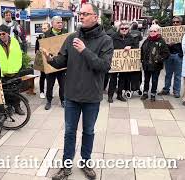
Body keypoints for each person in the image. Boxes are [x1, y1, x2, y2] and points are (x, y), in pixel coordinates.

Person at [41, 3, 114, 180]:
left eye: (86, 14)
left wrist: (84, 50)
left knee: (88, 131)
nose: (81, 17)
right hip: (72, 95)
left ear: (95, 17)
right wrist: (50, 59)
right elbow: (61, 61)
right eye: (80, 14)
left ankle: (86, 163)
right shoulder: (72, 37)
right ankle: (66, 167)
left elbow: (104, 66)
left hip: (91, 96)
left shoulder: (106, 40)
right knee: (69, 132)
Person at [0, 24, 25, 115]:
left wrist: (18, 67)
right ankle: (9, 107)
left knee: (16, 91)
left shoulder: (14, 41)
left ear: (8, 33)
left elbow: (19, 55)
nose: (1, 36)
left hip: (14, 71)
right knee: (6, 93)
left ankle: (17, 107)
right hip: (2, 73)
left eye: (3, 34)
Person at [108, 22, 138, 103]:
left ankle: (119, 95)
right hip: (116, 62)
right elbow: (108, 47)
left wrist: (131, 47)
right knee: (113, 79)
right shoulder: (113, 37)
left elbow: (136, 47)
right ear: (119, 29)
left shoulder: (131, 38)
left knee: (122, 79)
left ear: (128, 29)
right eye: (122, 28)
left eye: (126, 28)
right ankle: (110, 95)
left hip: (125, 63)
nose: (124, 30)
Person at [43, 16, 67, 110]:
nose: (60, 24)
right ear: (52, 24)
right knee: (50, 84)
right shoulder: (46, 34)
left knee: (63, 84)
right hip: (50, 64)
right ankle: (49, 101)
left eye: (61, 22)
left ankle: (63, 100)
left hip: (62, 64)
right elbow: (41, 47)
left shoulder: (65, 33)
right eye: (58, 22)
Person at [140, 25, 170, 101]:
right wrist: (141, 59)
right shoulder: (147, 40)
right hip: (146, 65)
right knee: (146, 80)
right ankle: (145, 93)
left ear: (158, 32)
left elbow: (166, 53)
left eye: (154, 31)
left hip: (156, 65)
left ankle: (153, 94)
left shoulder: (161, 41)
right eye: (151, 31)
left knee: (154, 80)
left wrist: (159, 59)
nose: (152, 32)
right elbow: (142, 50)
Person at [158, 16, 184, 98]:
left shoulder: (184, 33)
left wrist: (181, 53)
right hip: (169, 55)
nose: (175, 23)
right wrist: (168, 45)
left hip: (178, 55)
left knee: (178, 75)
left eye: (177, 22)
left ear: (180, 23)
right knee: (168, 74)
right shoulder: (168, 32)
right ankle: (166, 89)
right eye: (174, 22)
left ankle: (176, 91)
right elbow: (162, 44)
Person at [35, 22, 50, 99]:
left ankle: (49, 92)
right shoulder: (39, 37)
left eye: (45, 28)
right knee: (43, 76)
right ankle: (41, 91)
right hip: (42, 60)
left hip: (50, 59)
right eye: (43, 28)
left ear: (49, 28)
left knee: (50, 77)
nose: (43, 30)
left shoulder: (51, 37)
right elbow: (36, 50)